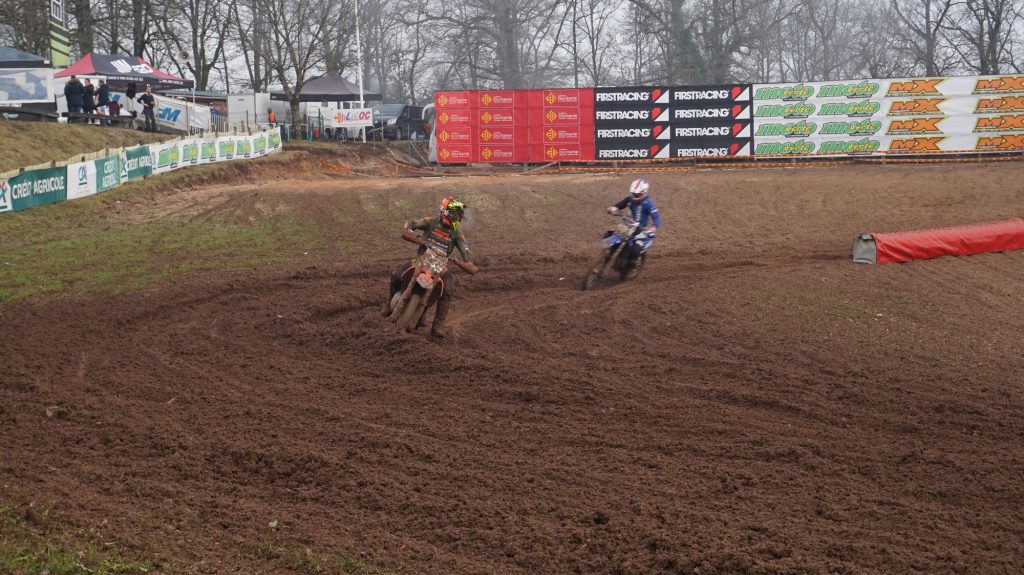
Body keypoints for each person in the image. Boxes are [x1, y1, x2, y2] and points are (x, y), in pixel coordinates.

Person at [383, 196, 479, 338]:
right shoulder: (431, 221)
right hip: (421, 260)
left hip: (441, 268)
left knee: (449, 289)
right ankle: (388, 303)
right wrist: (410, 231)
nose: (457, 216)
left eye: (459, 214)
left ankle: (438, 326)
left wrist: (465, 263)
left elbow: (467, 253)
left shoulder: (458, 234)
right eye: (454, 213)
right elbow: (412, 223)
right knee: (397, 273)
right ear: (445, 211)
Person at [605, 177, 661, 258]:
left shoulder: (648, 203)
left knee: (635, 250)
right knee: (608, 235)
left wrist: (653, 227)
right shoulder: (630, 199)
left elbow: (656, 217)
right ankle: (605, 258)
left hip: (639, 229)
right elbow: (620, 205)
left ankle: (631, 266)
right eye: (633, 193)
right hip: (626, 225)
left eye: (637, 194)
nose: (635, 196)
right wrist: (613, 208)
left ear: (644, 192)